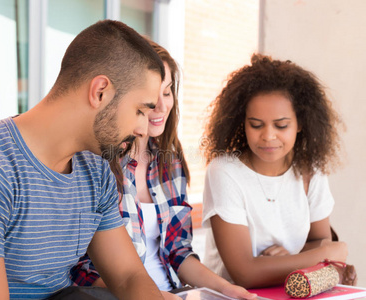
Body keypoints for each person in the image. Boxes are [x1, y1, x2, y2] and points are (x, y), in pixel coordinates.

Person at [0, 20, 167, 300]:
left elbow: (129, 278)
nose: (143, 130)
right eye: (140, 110)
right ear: (100, 92)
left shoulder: (96, 170)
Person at [71, 40, 256, 300]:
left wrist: (225, 289)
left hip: (175, 293)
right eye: (151, 95)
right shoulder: (96, 163)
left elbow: (178, 252)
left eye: (167, 92)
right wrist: (153, 296)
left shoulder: (171, 160)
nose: (161, 106)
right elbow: (80, 271)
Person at [201, 54, 348, 289]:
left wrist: (288, 260)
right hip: (232, 295)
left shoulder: (311, 171)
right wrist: (328, 253)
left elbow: (319, 240)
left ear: (301, 123)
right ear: (242, 123)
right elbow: (244, 273)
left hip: (290, 292)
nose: (268, 136)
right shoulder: (225, 172)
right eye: (256, 124)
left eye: (281, 125)